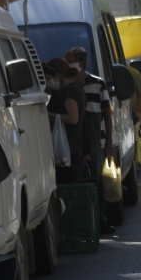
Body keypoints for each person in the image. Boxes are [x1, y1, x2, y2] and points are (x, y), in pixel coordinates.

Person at [66, 47, 115, 234]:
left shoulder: (97, 84)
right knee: (78, 182)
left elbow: (107, 115)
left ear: (80, 64)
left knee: (98, 181)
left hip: (97, 143)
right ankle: (83, 221)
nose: (67, 64)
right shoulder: (68, 86)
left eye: (69, 61)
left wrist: (109, 143)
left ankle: (100, 219)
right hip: (76, 144)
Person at [45, 59, 86, 184]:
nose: (48, 83)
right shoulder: (77, 88)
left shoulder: (69, 91)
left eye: (48, 78)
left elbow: (73, 118)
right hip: (74, 147)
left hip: (69, 148)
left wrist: (48, 115)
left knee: (66, 184)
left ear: (58, 76)